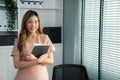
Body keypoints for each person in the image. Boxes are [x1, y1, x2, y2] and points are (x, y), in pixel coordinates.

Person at [11, 10, 56, 80]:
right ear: (25, 23)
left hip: (41, 77)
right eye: (30, 22)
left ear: (39, 23)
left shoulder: (44, 38)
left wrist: (34, 59)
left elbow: (51, 60)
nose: (33, 25)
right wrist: (37, 61)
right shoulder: (18, 41)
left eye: (36, 22)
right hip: (23, 77)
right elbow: (17, 64)